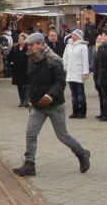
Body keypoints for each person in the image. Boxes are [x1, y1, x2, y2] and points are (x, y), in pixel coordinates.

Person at [12, 32, 90, 176]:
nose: (29, 48)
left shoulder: (54, 60)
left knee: (62, 135)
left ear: (41, 44)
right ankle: (30, 164)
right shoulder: (31, 59)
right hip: (37, 106)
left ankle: (82, 153)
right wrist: (31, 100)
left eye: (32, 45)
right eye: (28, 45)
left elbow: (60, 82)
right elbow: (32, 82)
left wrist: (49, 96)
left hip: (54, 105)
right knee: (31, 133)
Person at [63, 29, 89, 118]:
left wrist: (85, 72)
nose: (71, 36)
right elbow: (64, 58)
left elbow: (85, 61)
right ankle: (75, 111)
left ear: (78, 36)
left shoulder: (83, 47)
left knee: (80, 93)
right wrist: (65, 67)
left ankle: (82, 112)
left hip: (78, 73)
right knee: (73, 94)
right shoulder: (68, 46)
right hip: (70, 73)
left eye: (73, 34)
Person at [7, 33, 31, 107]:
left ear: (25, 40)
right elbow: (9, 57)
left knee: (26, 86)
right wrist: (11, 64)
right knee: (19, 86)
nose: (20, 41)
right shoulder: (15, 48)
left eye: (21, 39)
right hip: (17, 71)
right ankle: (21, 101)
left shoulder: (28, 48)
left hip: (26, 70)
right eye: (19, 39)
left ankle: (27, 100)